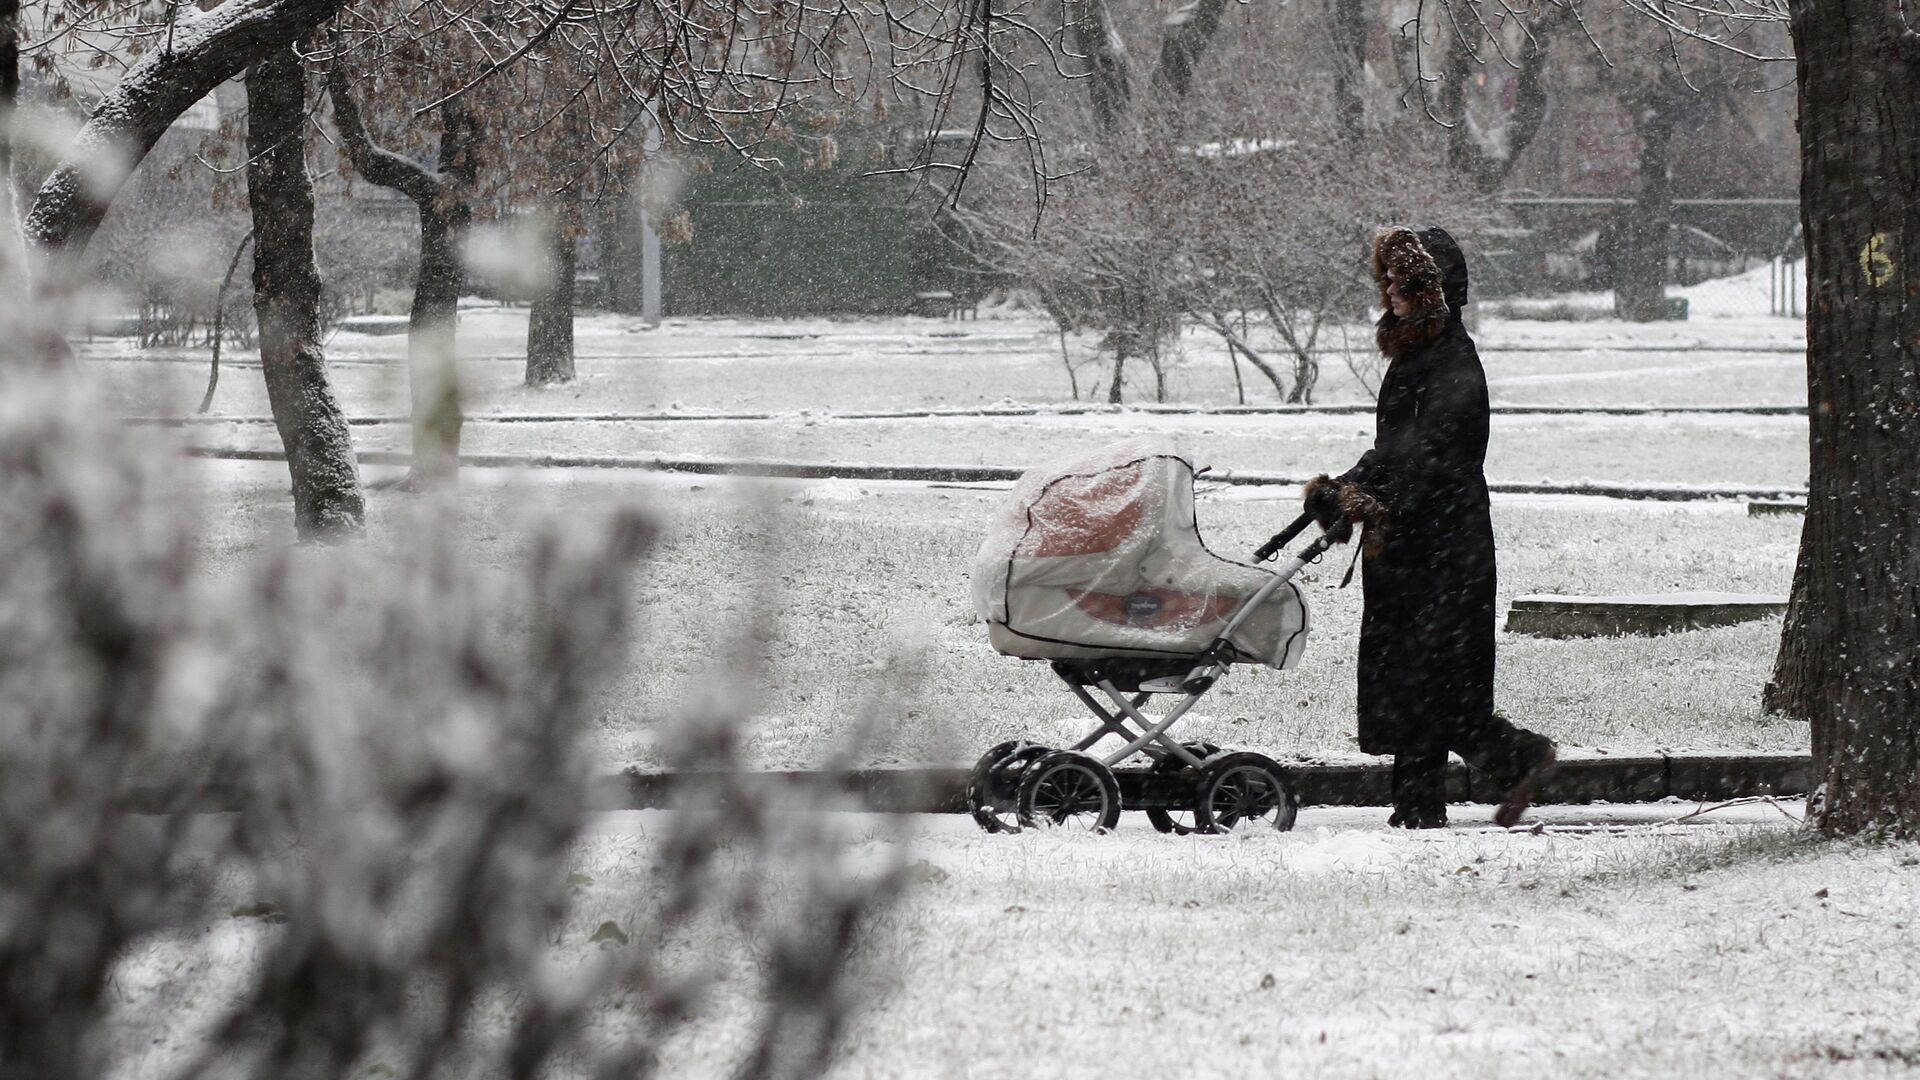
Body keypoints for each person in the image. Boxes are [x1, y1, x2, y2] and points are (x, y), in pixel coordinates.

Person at [1303, 225, 1556, 829]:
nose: (1388, 289)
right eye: (1386, 279)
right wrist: (1344, 487)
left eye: (1402, 281)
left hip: (1445, 544)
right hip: (1412, 542)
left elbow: (1443, 456)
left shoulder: (1453, 363)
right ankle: (1422, 804)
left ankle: (1511, 760)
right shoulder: (1416, 357)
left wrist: (1377, 498)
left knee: (1434, 675)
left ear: (1431, 290)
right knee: (1415, 675)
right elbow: (1393, 449)